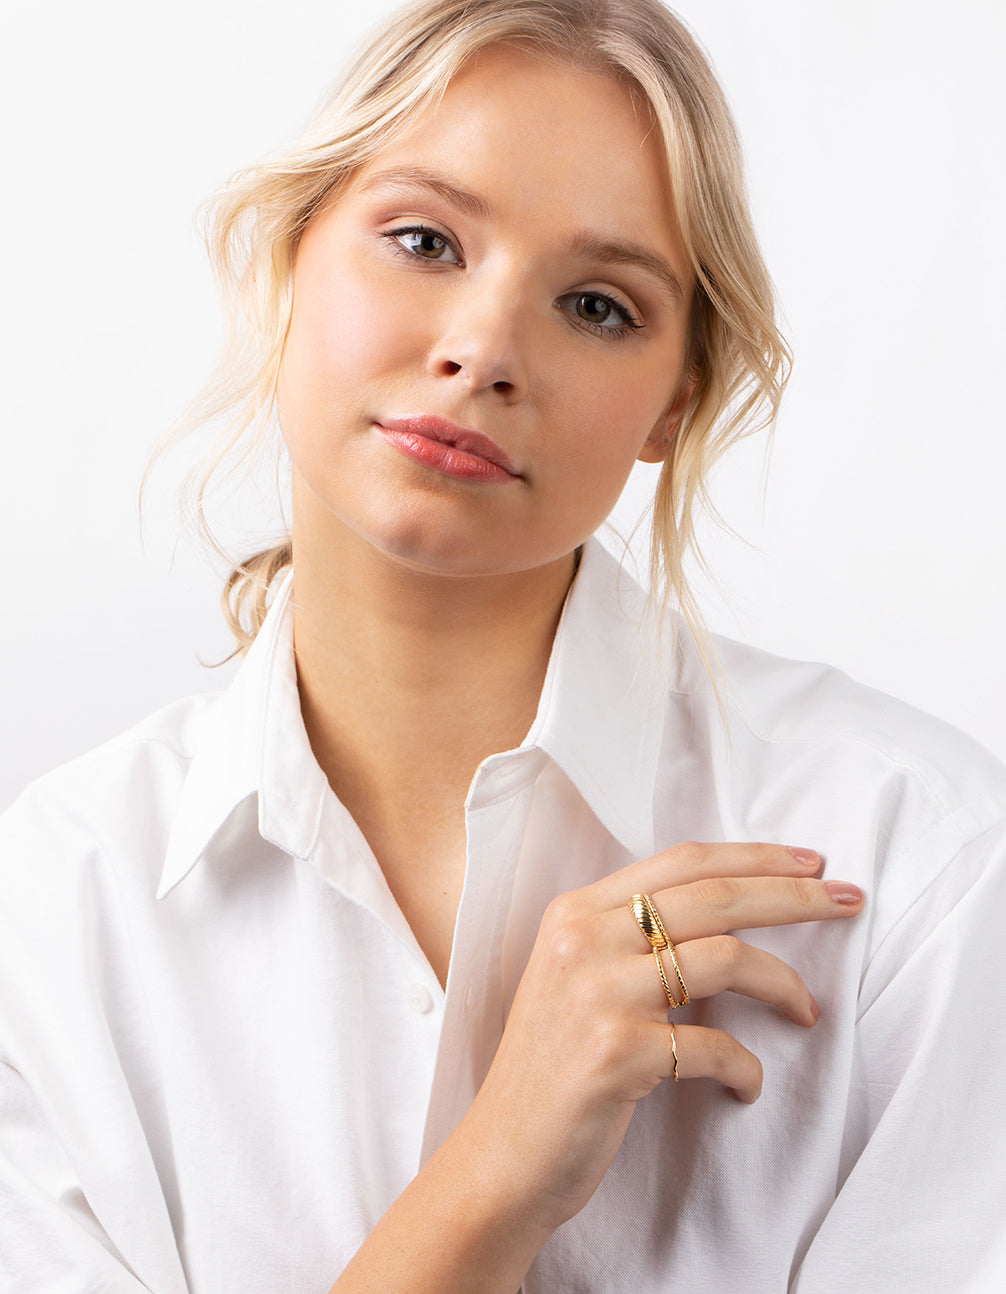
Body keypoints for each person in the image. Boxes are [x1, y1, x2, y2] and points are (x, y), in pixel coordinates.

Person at [1, 0, 1004, 1290]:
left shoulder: (918, 866)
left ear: (676, 402)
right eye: (424, 240)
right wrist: (496, 1175)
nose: (483, 351)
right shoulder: (48, 915)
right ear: (288, 256)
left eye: (596, 305)